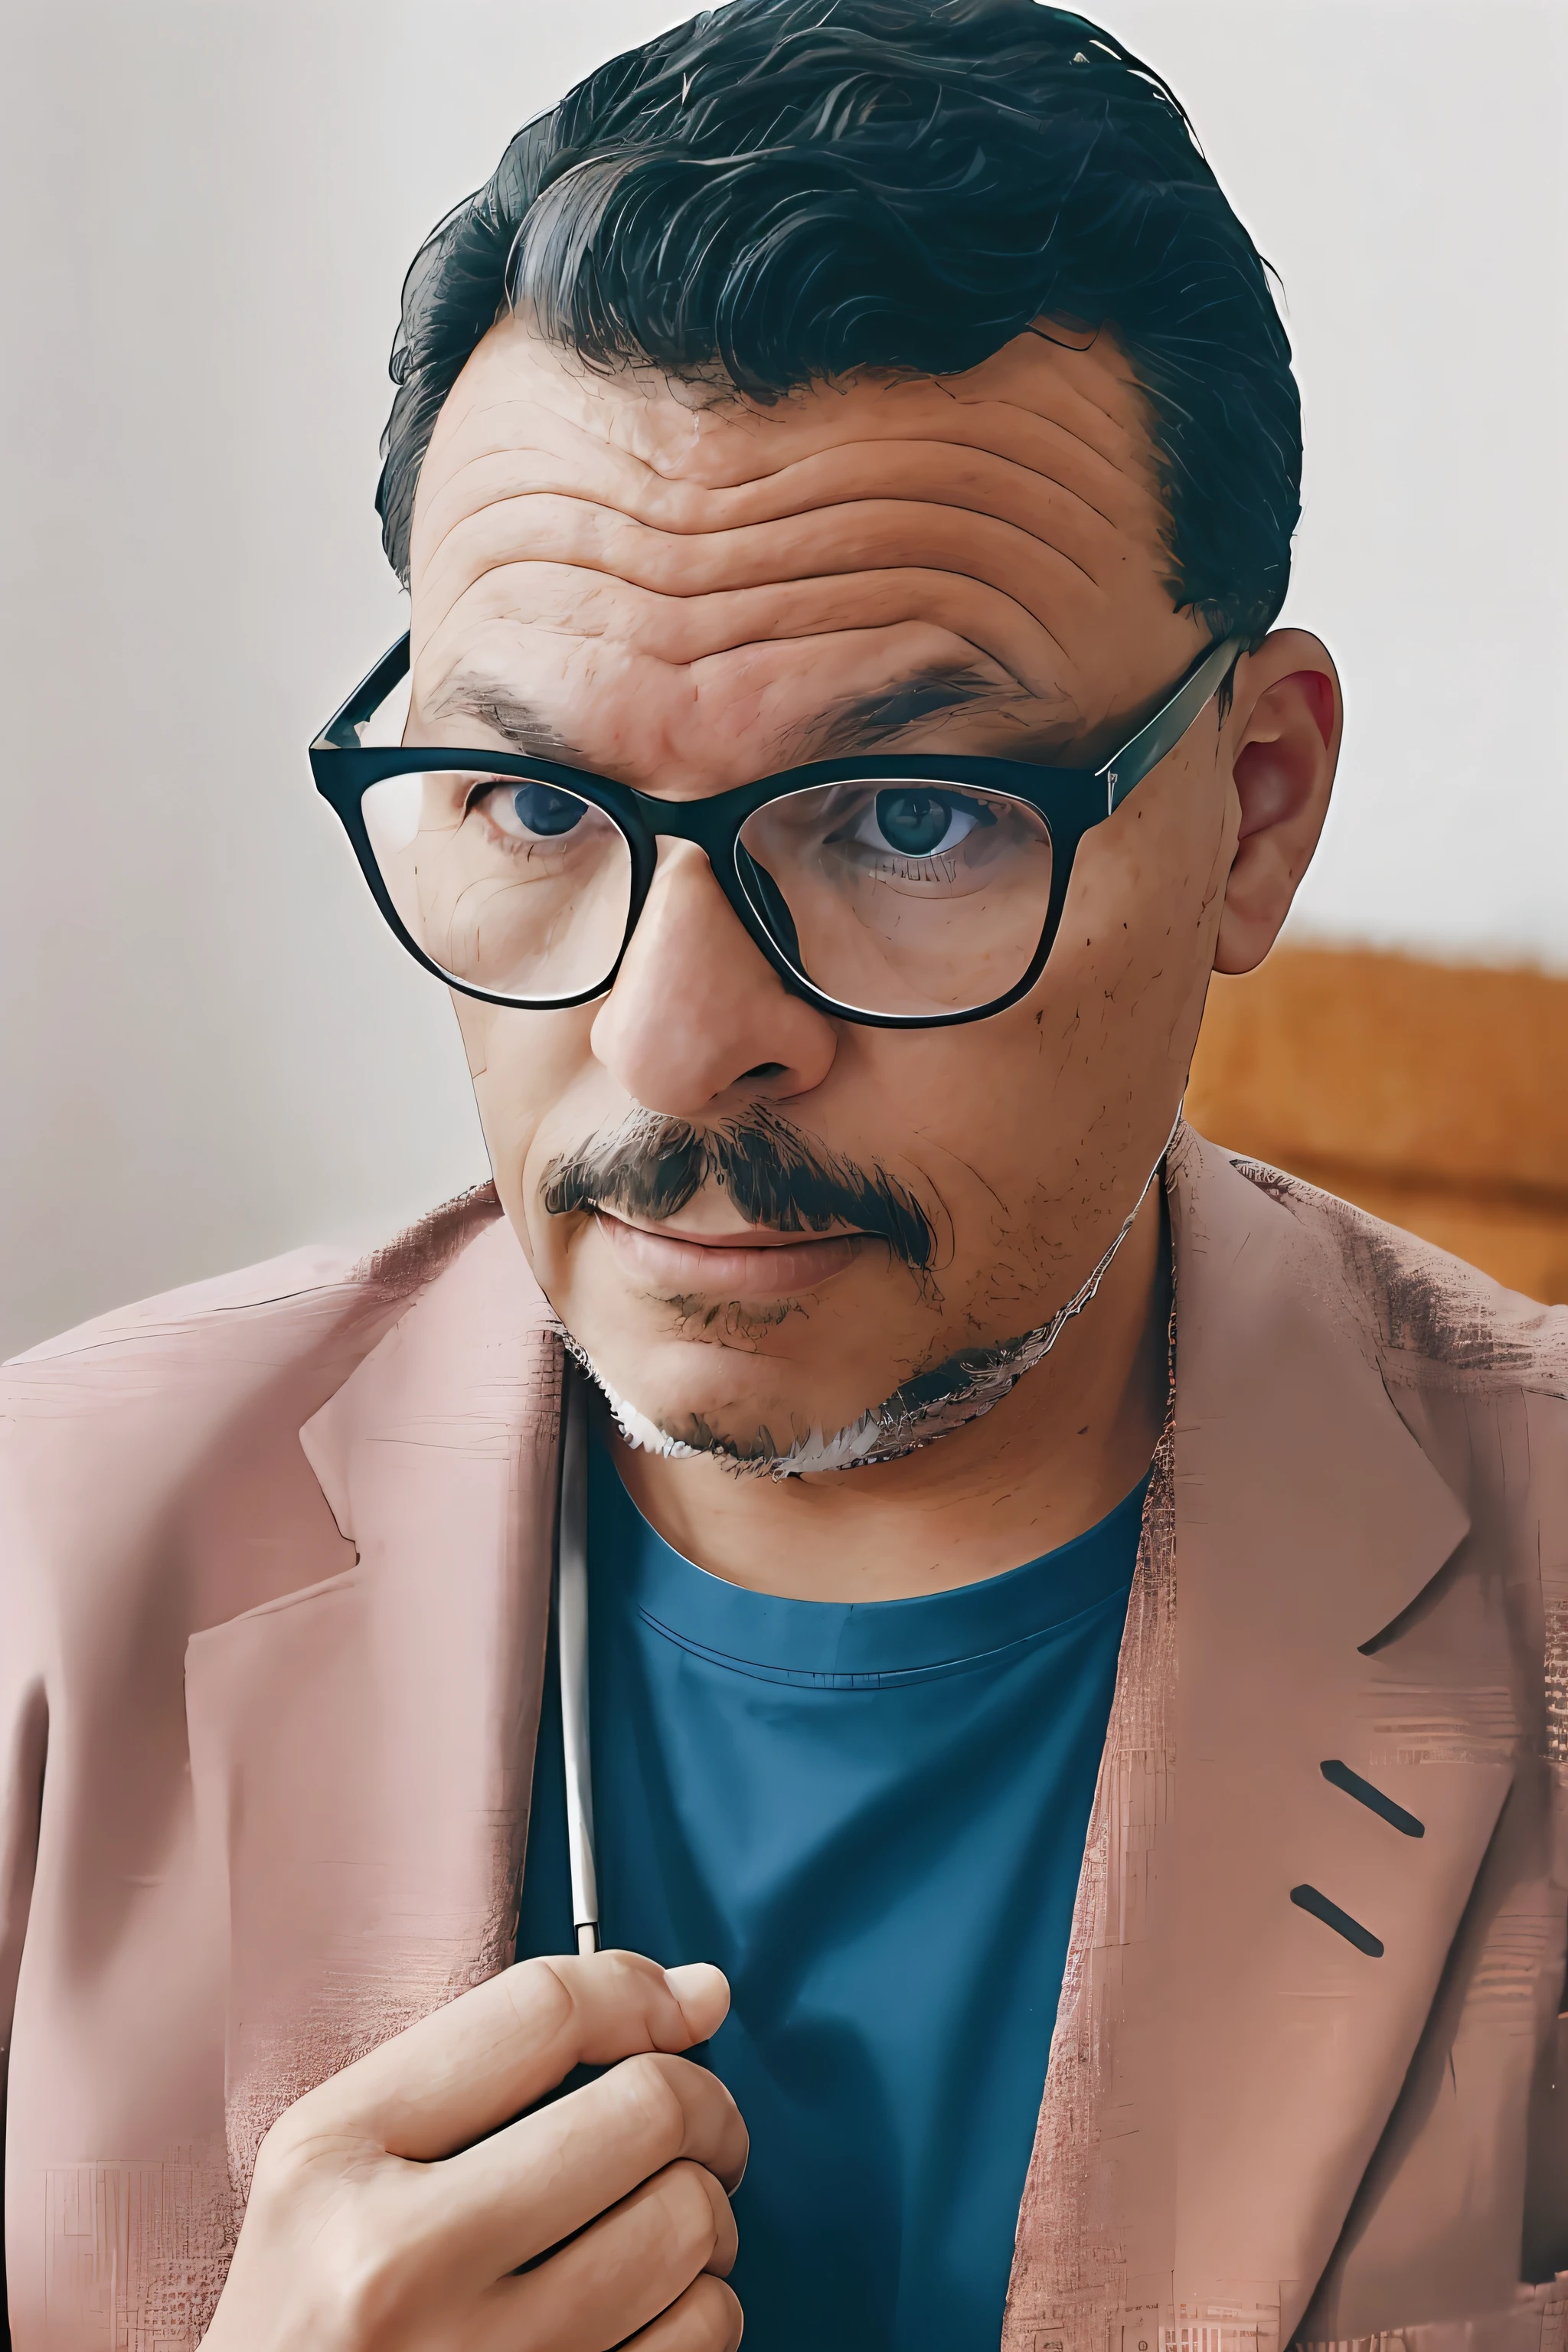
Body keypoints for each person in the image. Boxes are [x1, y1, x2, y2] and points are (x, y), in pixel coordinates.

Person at [4, 1, 1566, 2345]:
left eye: (912, 818)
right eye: (535, 805)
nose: (670, 1038)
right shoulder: (35, 1569)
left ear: (1255, 808)